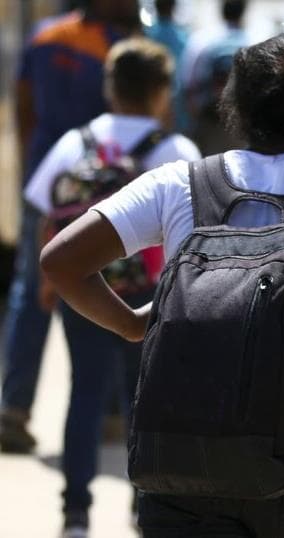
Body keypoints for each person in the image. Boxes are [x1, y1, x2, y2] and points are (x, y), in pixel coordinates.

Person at [40, 33, 284, 537]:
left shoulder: (177, 183)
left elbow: (62, 261)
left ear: (235, 106)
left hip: (178, 462)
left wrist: (134, 325)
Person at [24, 37, 201, 537]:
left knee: (84, 393)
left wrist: (49, 282)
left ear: (110, 88)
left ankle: (75, 514)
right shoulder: (175, 152)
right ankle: (143, 507)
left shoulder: (75, 142)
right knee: (145, 401)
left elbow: (48, 214)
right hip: (152, 296)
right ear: (162, 92)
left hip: (85, 290)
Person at [0, 0, 140, 454]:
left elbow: (23, 109)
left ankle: (14, 408)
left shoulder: (44, 35)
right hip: (99, 190)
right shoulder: (118, 46)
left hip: (45, 183)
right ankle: (111, 413)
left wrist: (31, 172)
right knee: (113, 285)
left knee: (30, 292)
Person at [180, 0, 249, 155]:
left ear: (221, 11)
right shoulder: (253, 41)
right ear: (244, 12)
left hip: (208, 119)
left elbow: (187, 83)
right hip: (239, 123)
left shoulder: (202, 40)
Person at [144, 0, 190, 132]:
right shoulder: (184, 37)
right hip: (178, 105)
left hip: (150, 102)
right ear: (173, 6)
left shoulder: (146, 34)